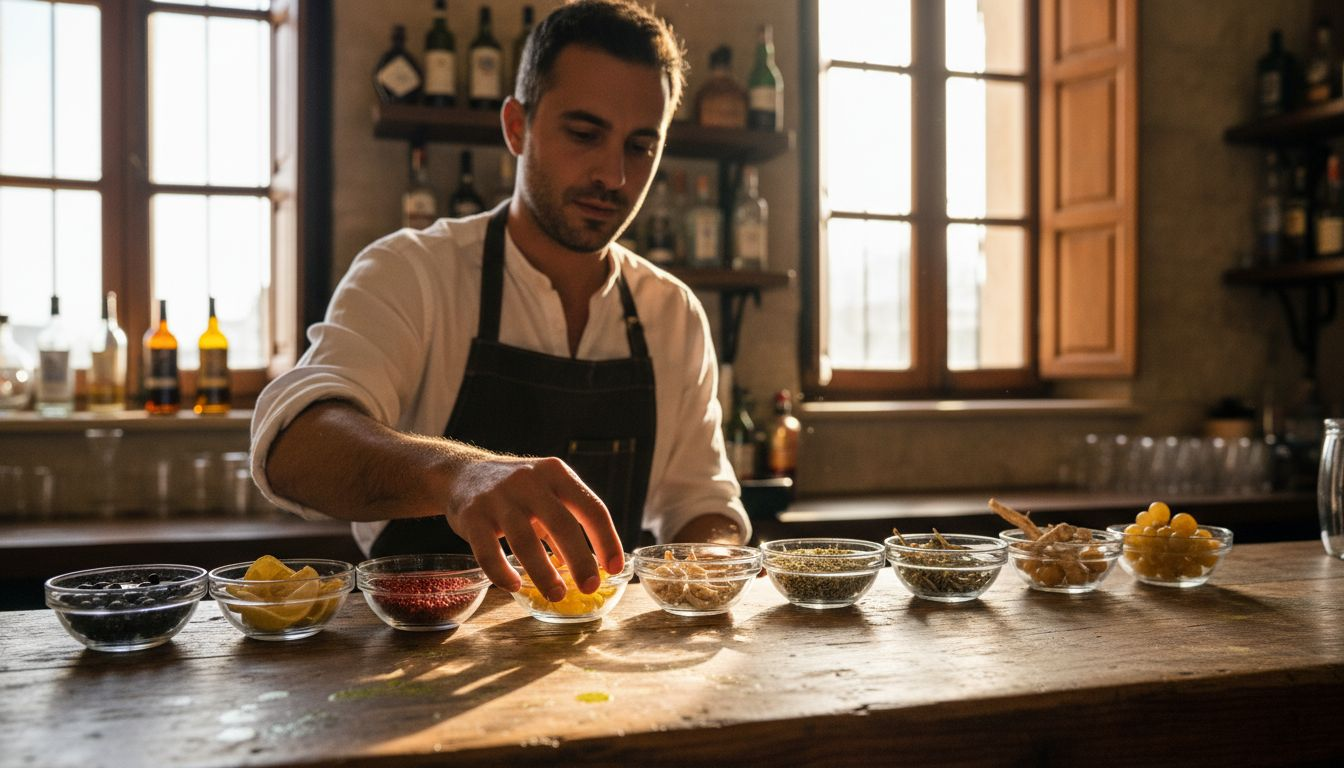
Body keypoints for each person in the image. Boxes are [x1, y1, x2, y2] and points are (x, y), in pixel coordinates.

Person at [250, 0, 749, 604]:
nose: (614, 175)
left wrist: (713, 564)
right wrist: (457, 475)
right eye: (585, 134)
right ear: (517, 126)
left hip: (594, 658)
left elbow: (703, 505)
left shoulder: (672, 314)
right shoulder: (413, 272)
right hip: (422, 658)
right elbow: (293, 448)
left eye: (641, 146)